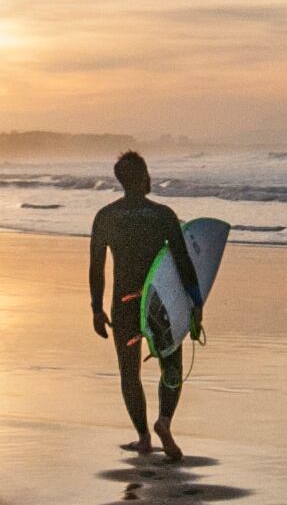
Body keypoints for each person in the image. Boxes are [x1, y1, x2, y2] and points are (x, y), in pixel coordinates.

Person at [84, 149, 205, 458]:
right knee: (172, 365)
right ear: (143, 177)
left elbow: (96, 268)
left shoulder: (106, 217)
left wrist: (96, 309)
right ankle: (164, 422)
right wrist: (195, 301)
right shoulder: (163, 215)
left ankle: (142, 438)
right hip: (160, 302)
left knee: (129, 372)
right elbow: (182, 261)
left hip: (124, 304)